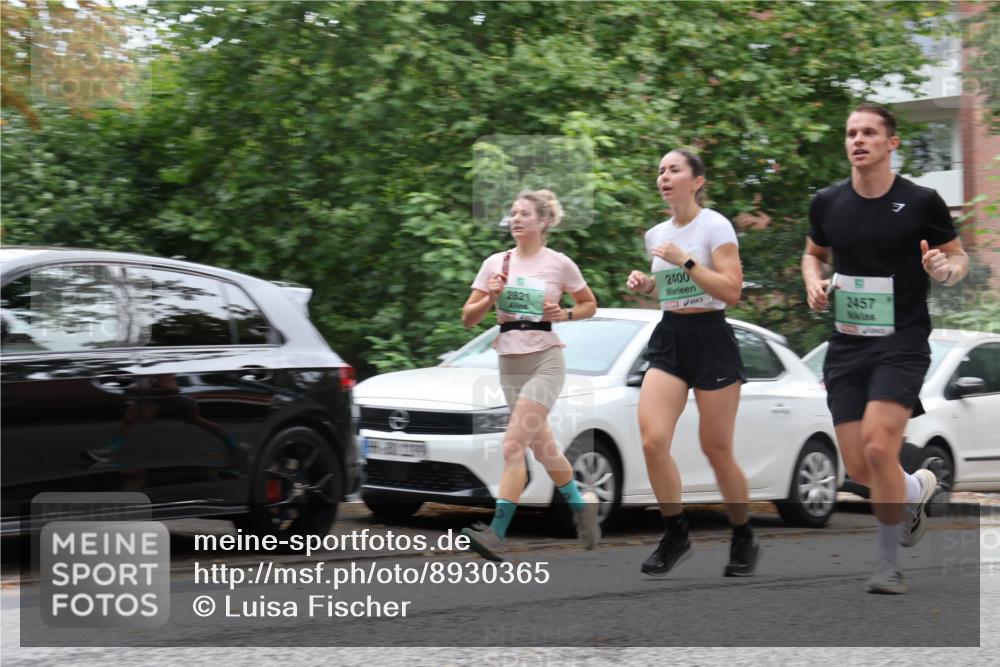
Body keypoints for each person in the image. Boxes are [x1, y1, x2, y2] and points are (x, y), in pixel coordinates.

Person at [802, 102, 968, 594]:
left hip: (904, 341)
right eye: (851, 132)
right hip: (847, 344)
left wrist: (943, 269)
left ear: (891, 143)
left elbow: (957, 259)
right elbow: (814, 254)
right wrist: (814, 282)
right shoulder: (828, 202)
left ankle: (887, 563)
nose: (858, 140)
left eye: (870, 132)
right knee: (857, 465)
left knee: (879, 445)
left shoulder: (921, 202)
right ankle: (914, 487)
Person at [626, 149, 757, 577]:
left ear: (696, 181)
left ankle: (742, 534)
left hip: (712, 338)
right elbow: (668, 290)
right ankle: (675, 532)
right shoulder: (656, 234)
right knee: (652, 440)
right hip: (670, 337)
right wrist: (645, 285)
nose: (664, 176)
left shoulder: (715, 225)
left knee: (716, 449)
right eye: (660, 169)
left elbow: (731, 290)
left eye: (674, 169)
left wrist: (685, 259)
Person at [460, 189, 600, 561]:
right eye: (513, 213)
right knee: (544, 448)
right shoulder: (496, 264)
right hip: (510, 363)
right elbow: (467, 318)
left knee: (512, 446)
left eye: (524, 213)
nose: (516, 219)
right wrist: (490, 297)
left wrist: (564, 314)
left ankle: (496, 532)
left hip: (546, 362)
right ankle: (581, 506)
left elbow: (589, 304)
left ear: (543, 221)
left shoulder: (559, 264)